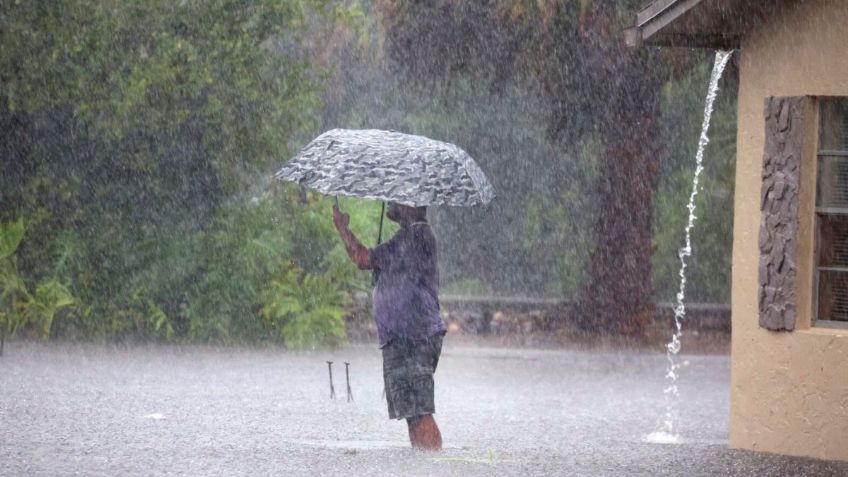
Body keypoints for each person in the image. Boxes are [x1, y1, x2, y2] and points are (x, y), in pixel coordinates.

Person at [332, 201, 446, 451]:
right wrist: (343, 229)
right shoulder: (407, 236)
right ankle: (424, 465)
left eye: (398, 199)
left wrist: (344, 230)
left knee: (418, 410)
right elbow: (364, 258)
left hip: (413, 336)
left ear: (412, 204)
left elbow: (364, 259)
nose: (392, 202)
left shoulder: (416, 236)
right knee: (412, 411)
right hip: (402, 337)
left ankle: (433, 466)